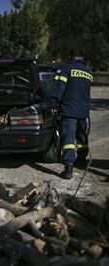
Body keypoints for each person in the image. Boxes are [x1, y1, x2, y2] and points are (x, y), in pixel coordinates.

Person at [50, 49, 93, 179]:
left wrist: (53, 103)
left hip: (69, 110)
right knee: (81, 136)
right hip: (83, 110)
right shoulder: (88, 71)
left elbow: (59, 87)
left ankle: (68, 168)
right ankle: (81, 159)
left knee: (68, 138)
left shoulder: (66, 68)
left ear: (71, 56)